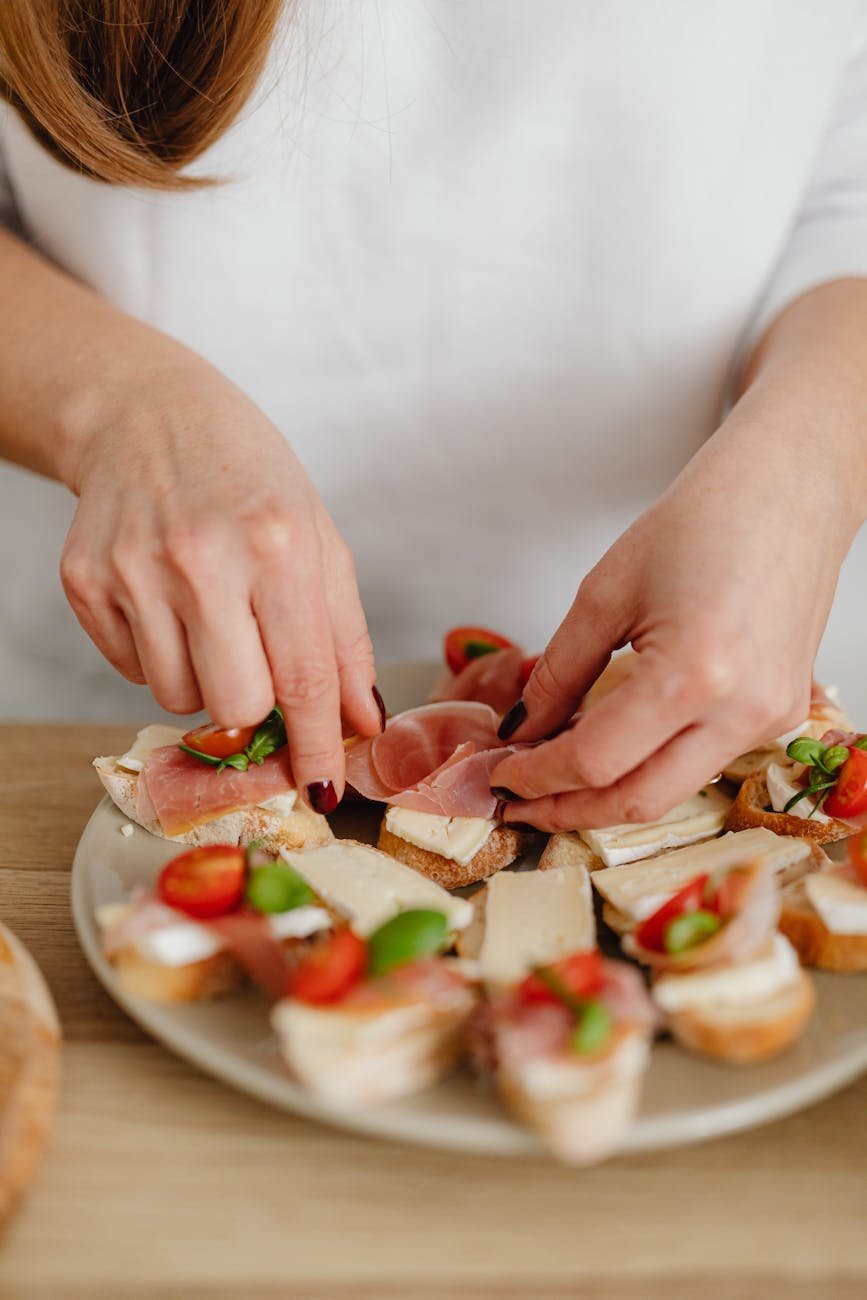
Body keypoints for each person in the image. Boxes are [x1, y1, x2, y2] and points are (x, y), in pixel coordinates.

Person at [1, 2, 866, 825]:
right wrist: (121, 408)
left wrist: (808, 477)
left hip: (711, 644)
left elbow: (846, 197)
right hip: (115, 672)